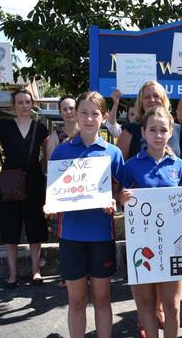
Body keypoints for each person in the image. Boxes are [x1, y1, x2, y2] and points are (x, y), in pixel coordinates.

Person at [45, 91, 123, 338]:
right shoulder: (61, 152)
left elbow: (122, 194)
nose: (89, 118)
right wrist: (50, 206)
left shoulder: (113, 152)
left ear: (105, 116)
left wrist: (115, 202)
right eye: (84, 112)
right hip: (71, 236)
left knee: (102, 299)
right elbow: (54, 194)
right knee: (76, 300)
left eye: (95, 113)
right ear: (75, 115)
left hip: (101, 235)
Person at [120, 106, 182, 338]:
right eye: (152, 129)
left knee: (172, 305)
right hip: (143, 244)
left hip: (174, 245)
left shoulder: (180, 167)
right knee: (145, 305)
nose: (158, 135)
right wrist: (122, 198)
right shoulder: (131, 166)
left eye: (163, 130)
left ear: (170, 133)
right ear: (143, 132)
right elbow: (120, 200)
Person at [0, 84, 49, 288]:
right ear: (14, 106)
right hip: (10, 183)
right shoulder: (3, 125)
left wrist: (36, 172)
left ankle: (36, 271)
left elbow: (47, 158)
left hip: (34, 183)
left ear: (33, 105)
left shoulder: (41, 128)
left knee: (35, 228)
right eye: (20, 102)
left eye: (27, 102)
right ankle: (12, 274)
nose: (24, 105)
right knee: (10, 230)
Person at [45, 95, 78, 286]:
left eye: (72, 108)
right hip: (65, 193)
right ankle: (66, 274)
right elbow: (51, 168)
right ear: (60, 113)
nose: (69, 112)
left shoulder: (86, 133)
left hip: (86, 192)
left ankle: (86, 273)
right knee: (65, 235)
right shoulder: (55, 137)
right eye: (64, 109)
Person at [118, 81, 182, 159]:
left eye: (156, 96)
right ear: (141, 102)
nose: (152, 100)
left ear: (163, 100)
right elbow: (119, 165)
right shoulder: (129, 131)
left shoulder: (179, 130)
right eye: (147, 97)